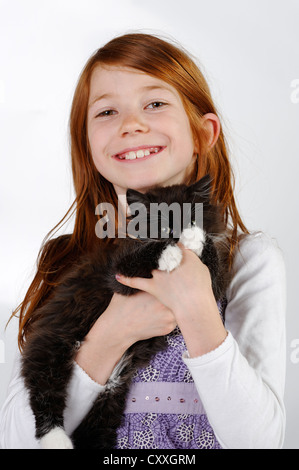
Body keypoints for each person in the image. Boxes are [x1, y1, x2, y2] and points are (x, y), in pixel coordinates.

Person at [0, 33, 286, 449]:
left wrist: (197, 308)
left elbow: (260, 443)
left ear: (203, 134)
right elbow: (14, 441)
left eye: (155, 103)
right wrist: (112, 333)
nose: (131, 123)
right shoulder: (61, 262)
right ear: (88, 146)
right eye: (107, 111)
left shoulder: (249, 260)